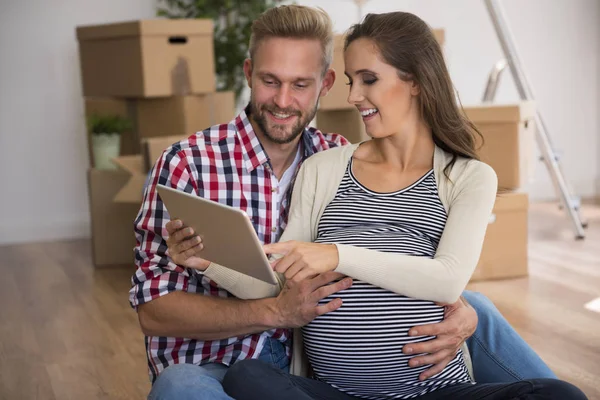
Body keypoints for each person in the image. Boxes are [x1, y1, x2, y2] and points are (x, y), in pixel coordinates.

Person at [131, 5, 559, 400]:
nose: (283, 100)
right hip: (259, 368)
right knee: (209, 380)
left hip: (398, 381)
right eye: (269, 81)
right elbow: (270, 284)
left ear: (324, 84)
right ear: (248, 73)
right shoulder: (200, 163)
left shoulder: (335, 152)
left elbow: (439, 276)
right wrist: (209, 262)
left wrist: (464, 312)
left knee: (483, 312)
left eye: (300, 84)